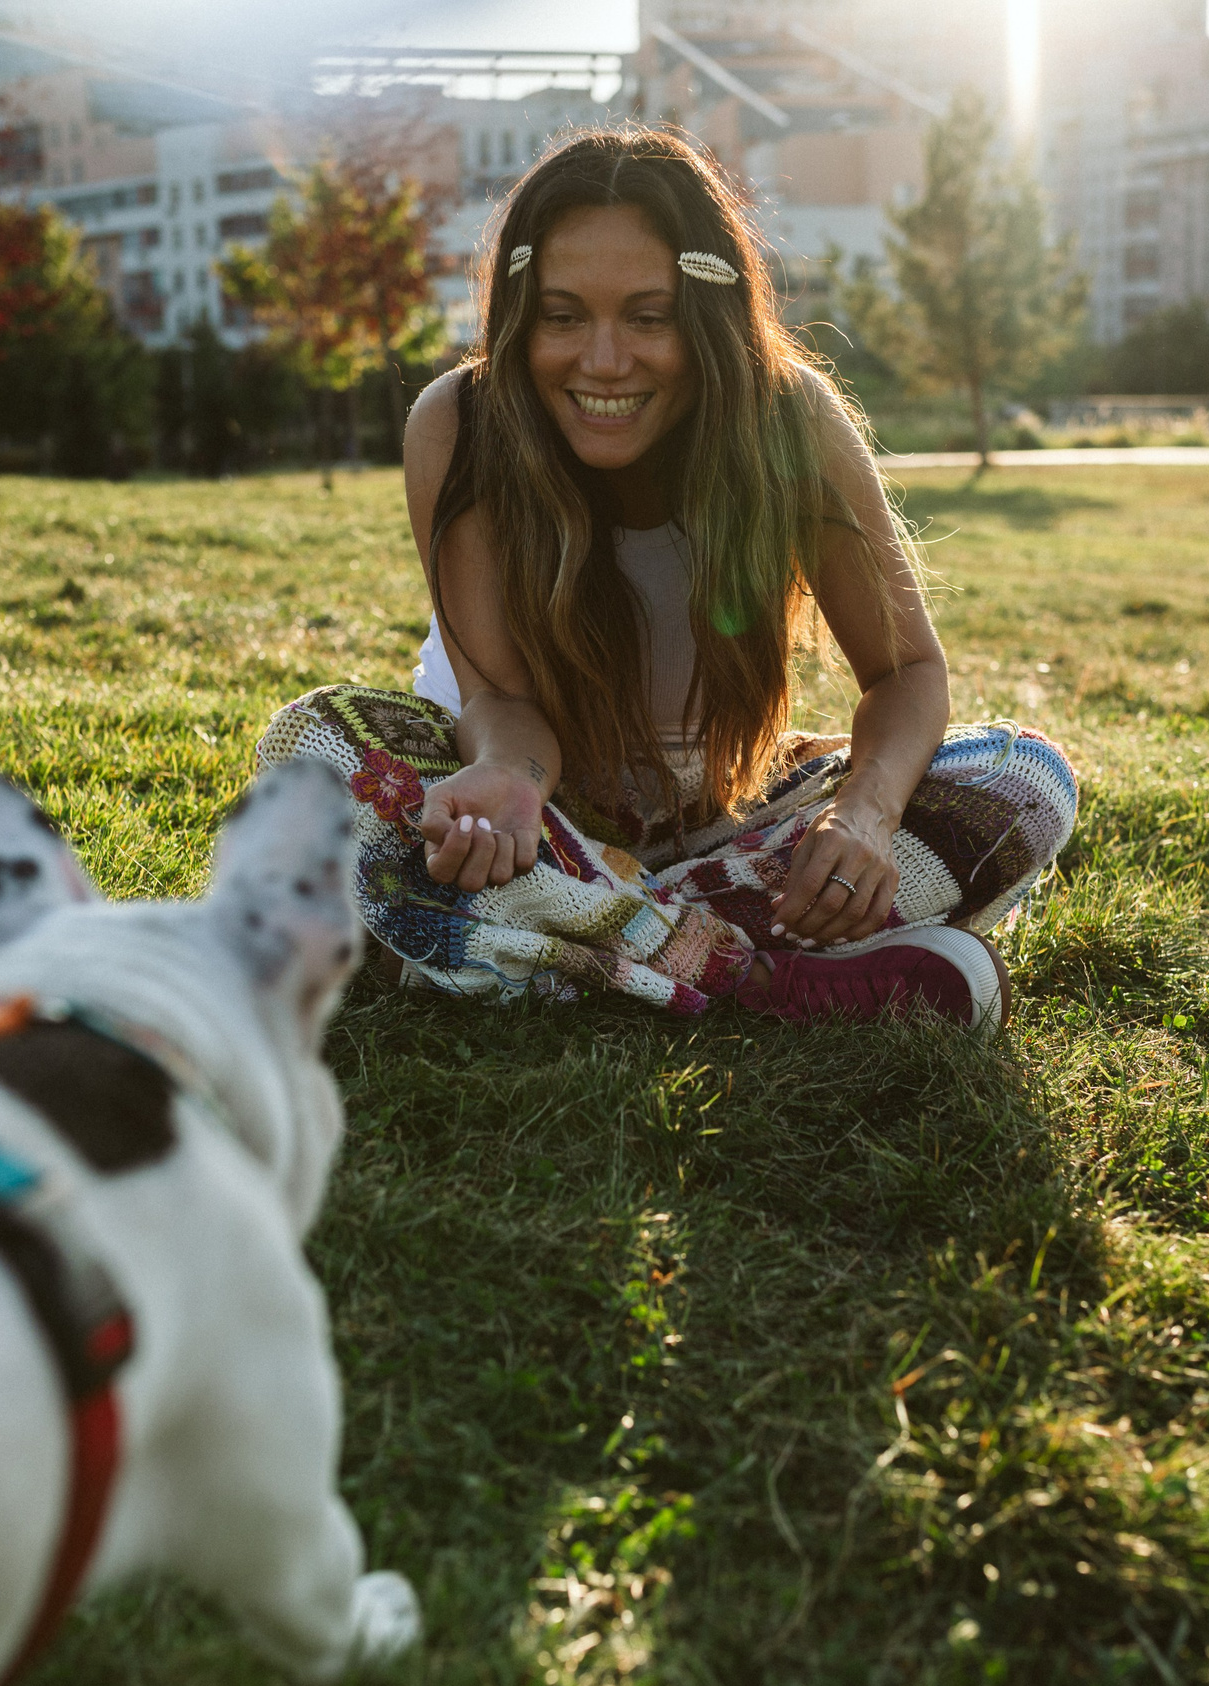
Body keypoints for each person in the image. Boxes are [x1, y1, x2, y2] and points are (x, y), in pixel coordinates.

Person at [256, 128, 1076, 1028]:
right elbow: (499, 697)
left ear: (708, 320)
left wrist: (863, 817)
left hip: (720, 818)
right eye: (562, 318)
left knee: (1025, 777)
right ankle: (760, 979)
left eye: (649, 318)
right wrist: (509, 783)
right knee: (314, 748)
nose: (605, 360)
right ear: (522, 318)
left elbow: (907, 671)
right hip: (519, 815)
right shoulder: (461, 424)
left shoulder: (791, 420)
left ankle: (546, 944)